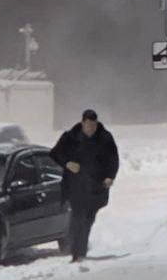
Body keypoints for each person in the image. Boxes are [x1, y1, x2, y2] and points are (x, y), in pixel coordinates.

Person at [50, 109, 120, 262]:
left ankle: (80, 251)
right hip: (75, 185)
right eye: (88, 125)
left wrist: (110, 176)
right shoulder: (71, 137)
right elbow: (54, 153)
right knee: (77, 218)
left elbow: (113, 159)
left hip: (96, 187)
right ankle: (77, 253)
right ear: (83, 123)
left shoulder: (105, 138)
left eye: (93, 125)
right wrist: (67, 163)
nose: (91, 129)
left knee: (87, 219)